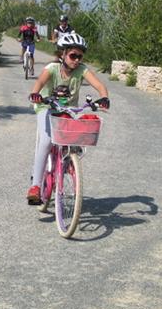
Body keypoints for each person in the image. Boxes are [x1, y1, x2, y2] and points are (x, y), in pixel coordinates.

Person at [26, 33, 110, 204]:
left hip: (69, 109)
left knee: (75, 134)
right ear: (62, 54)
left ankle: (66, 162)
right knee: (47, 140)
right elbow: (39, 84)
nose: (77, 60)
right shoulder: (52, 68)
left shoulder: (82, 70)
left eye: (80, 56)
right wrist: (35, 94)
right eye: (73, 55)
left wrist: (104, 97)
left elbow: (100, 85)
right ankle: (35, 186)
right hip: (46, 106)